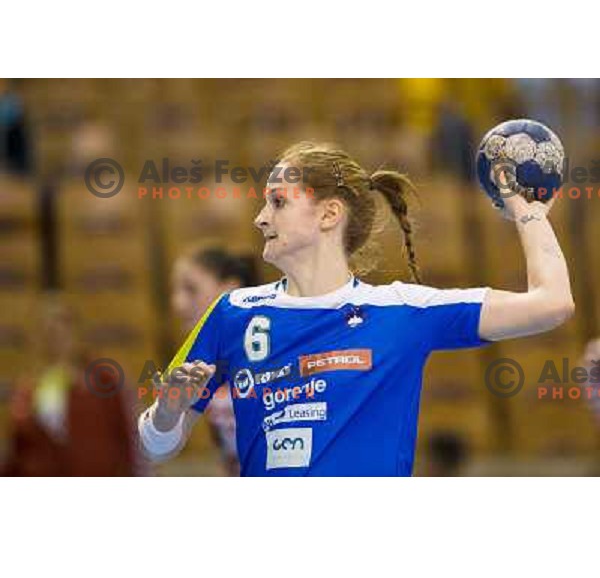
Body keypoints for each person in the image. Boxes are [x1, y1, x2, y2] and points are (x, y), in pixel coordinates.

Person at [138, 141, 575, 477]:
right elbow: (154, 446)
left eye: (277, 201)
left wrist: (529, 212)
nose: (259, 218)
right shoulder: (232, 312)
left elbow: (552, 304)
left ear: (329, 214)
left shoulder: (402, 310)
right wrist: (169, 410)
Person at [2, 295, 140, 476]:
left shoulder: (105, 379)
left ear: (78, 332)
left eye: (64, 328)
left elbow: (128, 438)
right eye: (50, 332)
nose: (58, 339)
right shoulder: (28, 389)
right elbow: (18, 450)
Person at [170, 244, 259, 475]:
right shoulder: (208, 363)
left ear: (230, 290)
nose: (178, 303)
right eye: (175, 291)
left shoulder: (267, 353)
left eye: (191, 290)